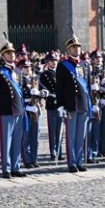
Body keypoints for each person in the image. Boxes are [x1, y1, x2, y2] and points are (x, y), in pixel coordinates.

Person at [0, 40, 27, 179]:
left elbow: (21, 91)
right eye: (8, 53)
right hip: (5, 110)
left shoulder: (17, 71)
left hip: (18, 109)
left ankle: (15, 167)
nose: (12, 55)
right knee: (6, 141)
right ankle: (6, 168)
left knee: (17, 140)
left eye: (12, 53)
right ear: (3, 56)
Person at [56, 36, 91, 173]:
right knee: (71, 135)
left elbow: (87, 86)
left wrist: (90, 104)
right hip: (70, 105)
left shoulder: (85, 65)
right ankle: (71, 162)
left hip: (82, 104)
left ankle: (79, 161)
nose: (77, 49)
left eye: (78, 46)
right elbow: (59, 88)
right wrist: (60, 105)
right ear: (69, 49)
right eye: (74, 47)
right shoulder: (63, 65)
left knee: (80, 135)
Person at [39, 51, 63, 162]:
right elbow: (42, 87)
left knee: (60, 130)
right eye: (52, 61)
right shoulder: (44, 75)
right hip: (52, 104)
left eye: (55, 61)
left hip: (61, 104)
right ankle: (53, 152)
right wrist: (49, 94)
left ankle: (59, 150)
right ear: (48, 62)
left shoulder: (61, 72)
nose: (54, 63)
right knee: (53, 130)